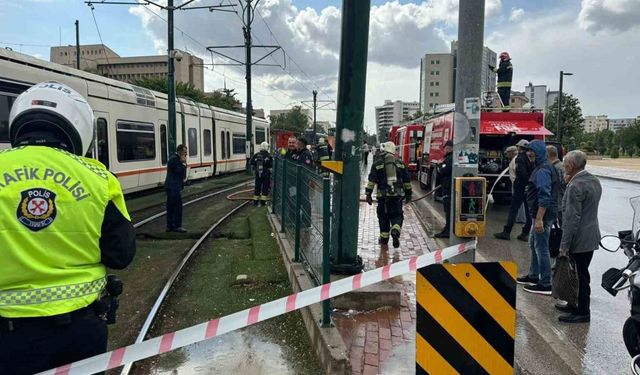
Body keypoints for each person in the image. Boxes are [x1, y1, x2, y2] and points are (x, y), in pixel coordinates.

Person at [0, 81, 136, 375]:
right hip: (80, 331)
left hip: (7, 337)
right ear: (79, 127)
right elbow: (120, 255)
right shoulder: (99, 178)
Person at [556, 150, 602, 323]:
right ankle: (573, 304)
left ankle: (582, 311)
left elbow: (571, 218)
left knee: (580, 276)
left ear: (572, 165)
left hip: (579, 237)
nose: (563, 165)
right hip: (591, 234)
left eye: (565, 162)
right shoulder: (593, 180)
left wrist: (564, 245)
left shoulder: (575, 185)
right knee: (578, 273)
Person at [516, 140, 560, 295]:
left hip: (542, 215)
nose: (529, 153)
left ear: (540, 152)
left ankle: (545, 282)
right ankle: (533, 275)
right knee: (534, 244)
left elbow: (544, 195)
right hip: (539, 214)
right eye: (528, 151)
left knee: (541, 248)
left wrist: (540, 218)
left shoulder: (542, 170)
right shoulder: (543, 167)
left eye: (532, 150)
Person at [365, 141, 412, 248]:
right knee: (397, 216)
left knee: (383, 217)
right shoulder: (400, 164)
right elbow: (407, 182)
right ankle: (395, 230)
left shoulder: (377, 164)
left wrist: (368, 194)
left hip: (383, 198)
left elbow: (371, 181)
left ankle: (384, 239)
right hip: (396, 198)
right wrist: (408, 195)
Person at [495, 139, 533, 241]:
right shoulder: (530, 158)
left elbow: (521, 173)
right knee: (528, 210)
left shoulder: (520, 158)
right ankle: (525, 232)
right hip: (528, 187)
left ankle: (507, 232)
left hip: (520, 188)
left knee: (513, 209)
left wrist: (519, 183)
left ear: (520, 148)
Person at [165, 144, 188, 233]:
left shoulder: (173, 158)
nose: (186, 154)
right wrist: (183, 164)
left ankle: (169, 226)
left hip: (171, 186)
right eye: (184, 152)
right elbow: (178, 171)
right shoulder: (174, 159)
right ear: (180, 151)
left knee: (170, 206)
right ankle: (177, 226)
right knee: (177, 207)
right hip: (174, 187)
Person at [435, 140, 453, 238]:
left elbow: (442, 170)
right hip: (449, 187)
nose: (444, 151)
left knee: (448, 209)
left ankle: (448, 230)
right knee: (449, 209)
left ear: (449, 148)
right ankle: (448, 228)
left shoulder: (449, 159)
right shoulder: (450, 158)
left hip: (448, 188)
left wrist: (439, 166)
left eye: (445, 148)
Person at [547, 145, 566, 224]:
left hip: (559, 202)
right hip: (561, 202)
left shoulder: (554, 168)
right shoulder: (562, 166)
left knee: (562, 225)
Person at [250, 142, 273, 206]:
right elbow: (271, 166)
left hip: (258, 175)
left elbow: (251, 164)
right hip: (266, 175)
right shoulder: (269, 156)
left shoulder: (256, 155)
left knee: (257, 188)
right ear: (266, 147)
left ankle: (255, 202)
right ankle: (263, 202)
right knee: (265, 188)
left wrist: (255, 169)